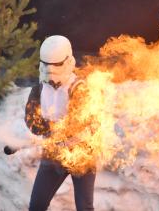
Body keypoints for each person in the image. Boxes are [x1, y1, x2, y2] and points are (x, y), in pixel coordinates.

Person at [25, 35, 96, 211]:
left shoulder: (79, 88)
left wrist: (63, 137)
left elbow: (82, 123)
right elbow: (32, 122)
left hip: (82, 155)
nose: (51, 75)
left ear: (67, 62)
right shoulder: (39, 88)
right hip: (52, 155)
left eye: (56, 67)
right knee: (36, 206)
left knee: (84, 207)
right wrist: (44, 127)